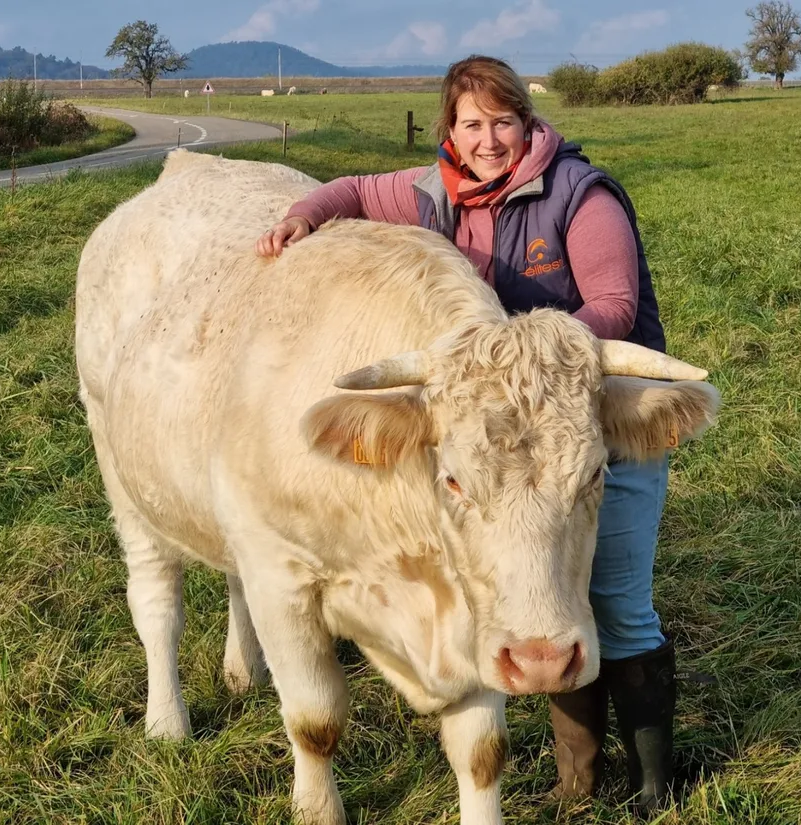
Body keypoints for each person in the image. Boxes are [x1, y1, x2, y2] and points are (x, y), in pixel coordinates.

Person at [256, 55, 677, 812]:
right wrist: (304, 215)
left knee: (615, 599)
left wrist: (519, 360)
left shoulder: (582, 196)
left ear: (528, 122)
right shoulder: (433, 189)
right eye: (472, 124)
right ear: (449, 130)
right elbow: (352, 189)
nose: (488, 140)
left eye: (503, 122)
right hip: (502, 439)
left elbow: (614, 303)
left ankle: (654, 785)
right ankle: (577, 782)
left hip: (585, 425)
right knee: (539, 589)